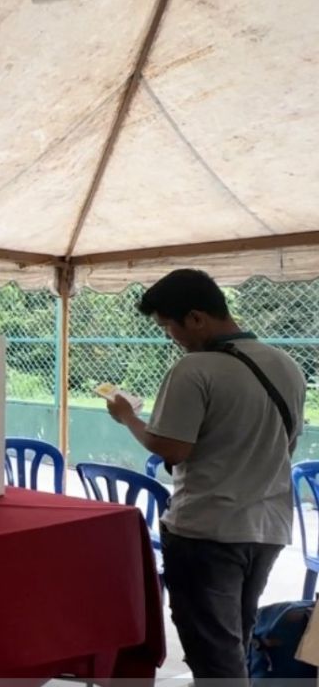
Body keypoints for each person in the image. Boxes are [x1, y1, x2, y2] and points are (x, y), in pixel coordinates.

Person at [104, 268, 304, 682]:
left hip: (207, 532)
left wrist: (128, 418)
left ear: (195, 318)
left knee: (213, 653)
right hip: (266, 529)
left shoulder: (195, 369)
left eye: (168, 327)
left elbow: (172, 448)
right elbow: (285, 447)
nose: (170, 337)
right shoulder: (286, 365)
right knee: (235, 638)